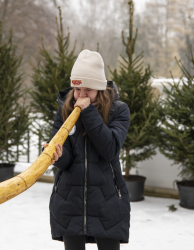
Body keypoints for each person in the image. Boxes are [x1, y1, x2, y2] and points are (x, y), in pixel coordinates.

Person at [43, 50, 131, 250]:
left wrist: (88, 111)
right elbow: (67, 160)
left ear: (99, 89)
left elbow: (109, 149)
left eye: (88, 90)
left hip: (108, 201)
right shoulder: (64, 110)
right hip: (69, 201)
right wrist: (57, 156)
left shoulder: (119, 111)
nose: (81, 96)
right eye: (77, 89)